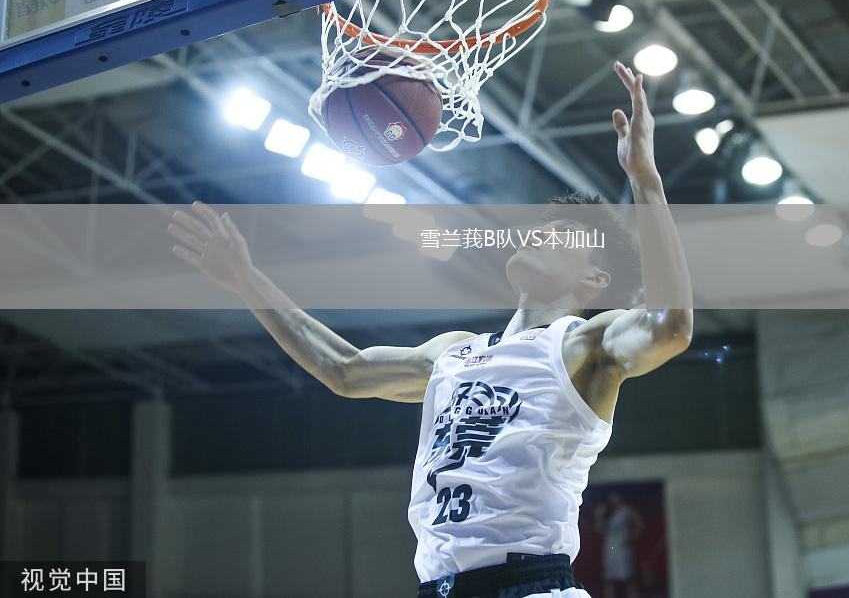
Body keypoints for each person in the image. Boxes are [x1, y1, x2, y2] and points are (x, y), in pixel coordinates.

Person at [167, 61, 693, 598]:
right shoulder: (454, 353)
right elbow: (343, 370)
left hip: (530, 583)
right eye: (542, 225)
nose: (541, 233)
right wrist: (246, 279)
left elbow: (671, 326)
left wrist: (645, 181)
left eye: (563, 234)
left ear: (595, 278)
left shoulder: (583, 343)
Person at [594, 491, 644, 598]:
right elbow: (600, 530)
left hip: (623, 546)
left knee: (628, 576)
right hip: (609, 547)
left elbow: (640, 524)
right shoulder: (606, 512)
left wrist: (631, 536)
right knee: (609, 577)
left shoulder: (626, 510)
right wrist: (599, 516)